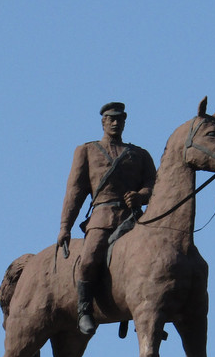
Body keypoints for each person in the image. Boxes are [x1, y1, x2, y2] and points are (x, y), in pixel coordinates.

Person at [57, 101, 157, 335]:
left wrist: (140, 196)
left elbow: (154, 186)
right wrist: (65, 226)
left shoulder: (139, 154)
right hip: (102, 216)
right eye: (111, 119)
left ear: (125, 121)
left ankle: (149, 310)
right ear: (103, 122)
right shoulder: (87, 150)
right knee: (90, 259)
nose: (115, 123)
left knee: (156, 259)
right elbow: (75, 192)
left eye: (119, 119)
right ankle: (84, 310)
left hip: (132, 219)